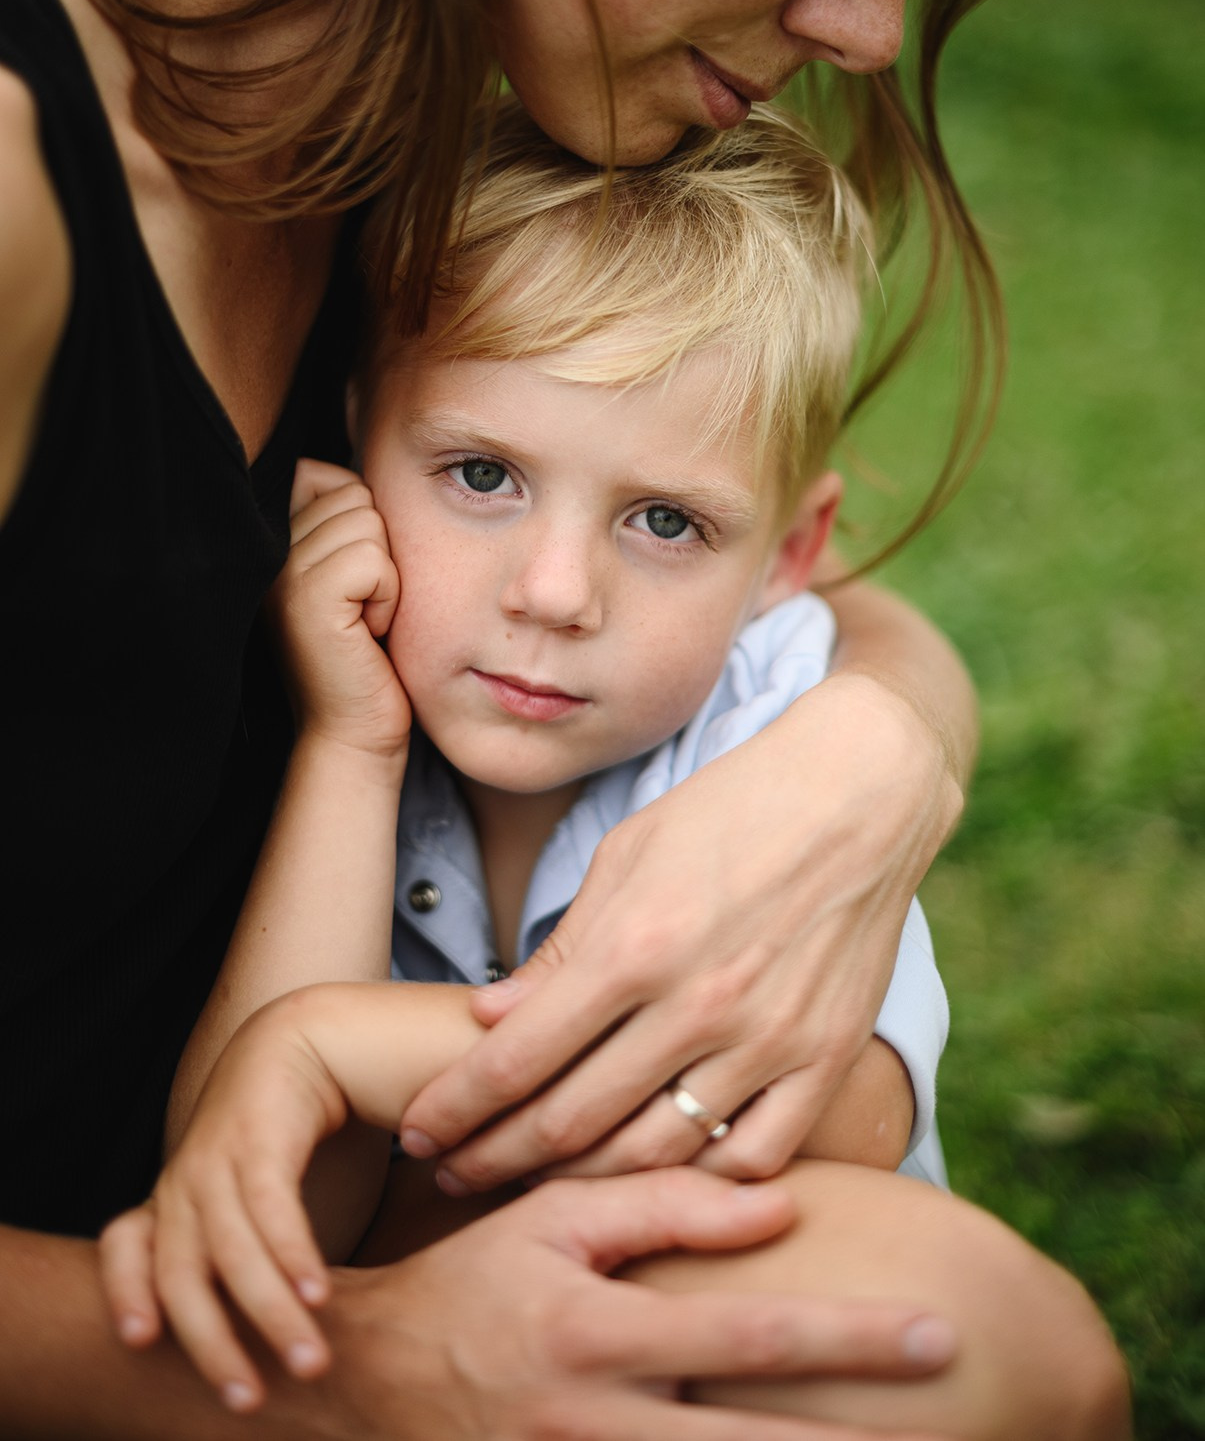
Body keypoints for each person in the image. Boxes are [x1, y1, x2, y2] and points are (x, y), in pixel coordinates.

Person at [0, 0, 1130, 1436]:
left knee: (974, 1346)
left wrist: (873, 752)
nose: (865, 25)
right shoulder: (21, 188)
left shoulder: (406, 158)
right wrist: (359, 1375)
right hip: (121, 1321)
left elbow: (786, 590)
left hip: (337, 1210)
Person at [96, 104, 1118, 1440]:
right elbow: (267, 1203)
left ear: (788, 557)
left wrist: (331, 1048)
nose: (557, 591)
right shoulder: (338, 702)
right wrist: (351, 751)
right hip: (412, 1355)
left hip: (706, 1324)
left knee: (975, 1362)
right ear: (350, 446)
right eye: (480, 474)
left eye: (663, 520)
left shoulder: (775, 716)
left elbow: (844, 1117)